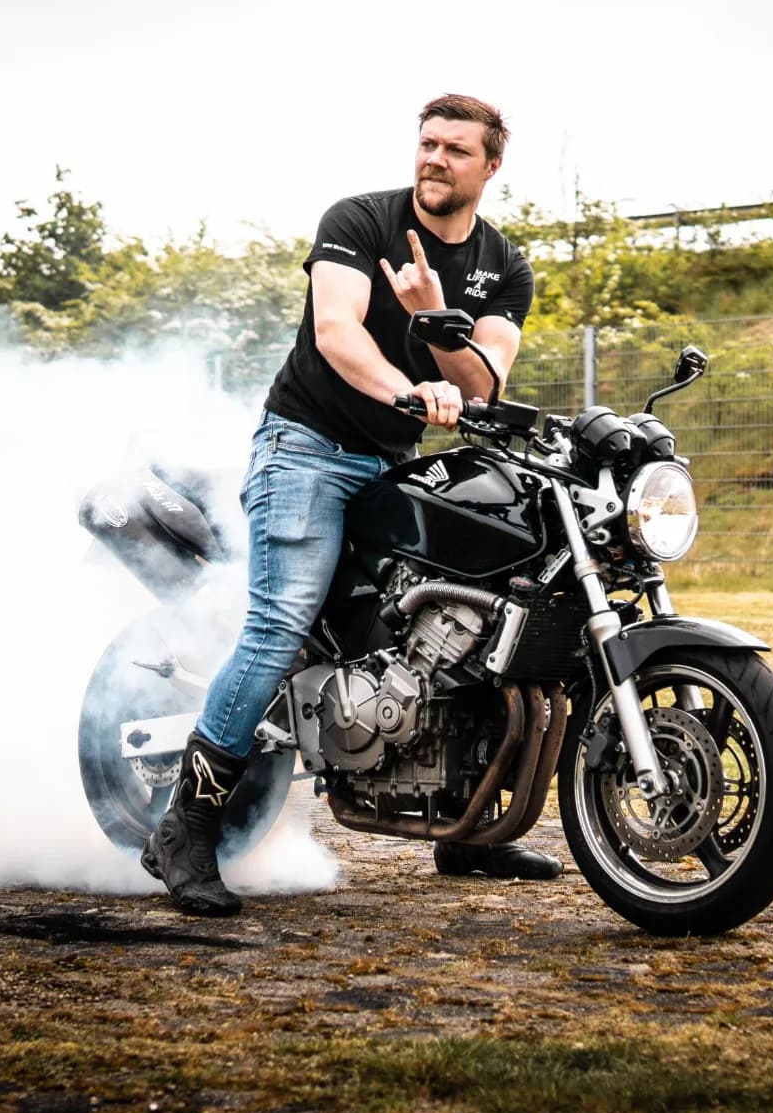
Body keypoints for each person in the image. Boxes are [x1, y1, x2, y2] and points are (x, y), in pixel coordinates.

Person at [143, 93, 551, 916]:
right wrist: (409, 390)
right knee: (280, 622)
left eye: (456, 149)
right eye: (427, 143)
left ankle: (466, 828)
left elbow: (485, 382)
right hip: (307, 448)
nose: (435, 158)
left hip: (393, 464)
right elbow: (336, 331)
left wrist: (433, 323)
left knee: (485, 615)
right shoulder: (360, 221)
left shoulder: (503, 265)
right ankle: (185, 823)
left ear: (491, 166)